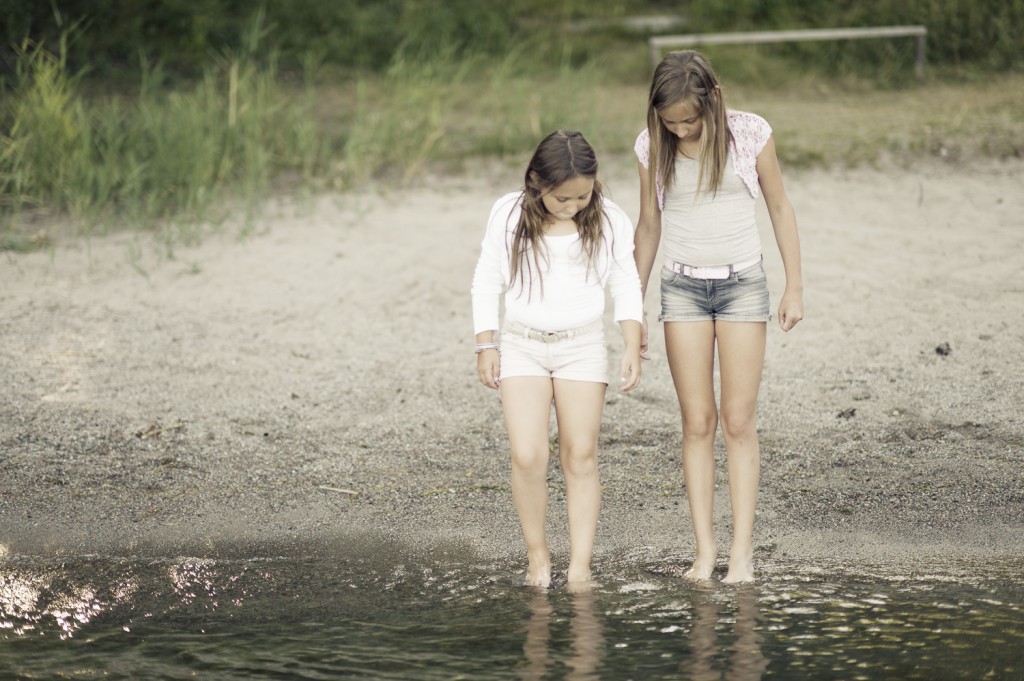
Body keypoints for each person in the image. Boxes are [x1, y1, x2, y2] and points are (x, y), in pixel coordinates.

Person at [633, 50, 804, 583]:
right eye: (671, 121)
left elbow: (779, 207)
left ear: (712, 102)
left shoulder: (750, 134)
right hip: (680, 288)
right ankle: (704, 551)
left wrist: (794, 286)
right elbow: (647, 226)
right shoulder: (651, 146)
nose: (681, 129)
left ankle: (742, 554)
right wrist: (631, 307)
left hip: (742, 287)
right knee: (697, 423)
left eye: (689, 118)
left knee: (737, 421)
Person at [471, 129, 643, 588]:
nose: (573, 206)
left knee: (580, 456)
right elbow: (487, 278)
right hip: (522, 344)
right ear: (536, 183)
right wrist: (485, 345)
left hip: (582, 347)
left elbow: (626, 281)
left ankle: (579, 568)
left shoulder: (608, 219)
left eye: (583, 195)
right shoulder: (508, 213)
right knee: (527, 456)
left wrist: (631, 341)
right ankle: (538, 557)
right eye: (562, 198)